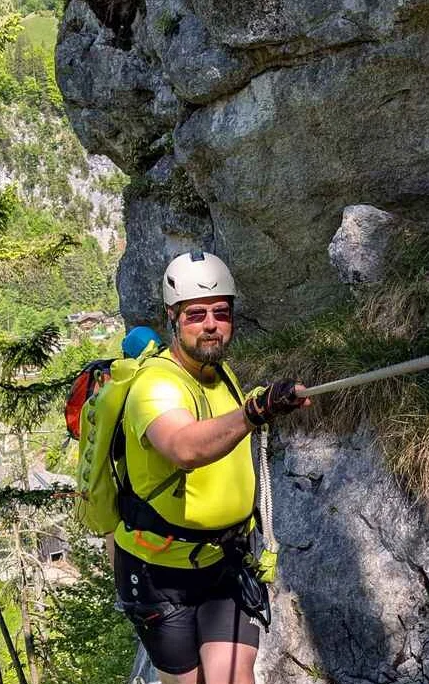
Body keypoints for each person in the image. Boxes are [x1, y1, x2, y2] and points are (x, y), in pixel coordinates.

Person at [112, 250, 309, 684]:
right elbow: (183, 446)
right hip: (159, 573)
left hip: (223, 562)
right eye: (195, 314)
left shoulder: (223, 376)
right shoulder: (155, 385)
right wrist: (252, 415)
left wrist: (267, 401)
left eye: (221, 312)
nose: (210, 324)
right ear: (173, 318)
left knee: (236, 678)